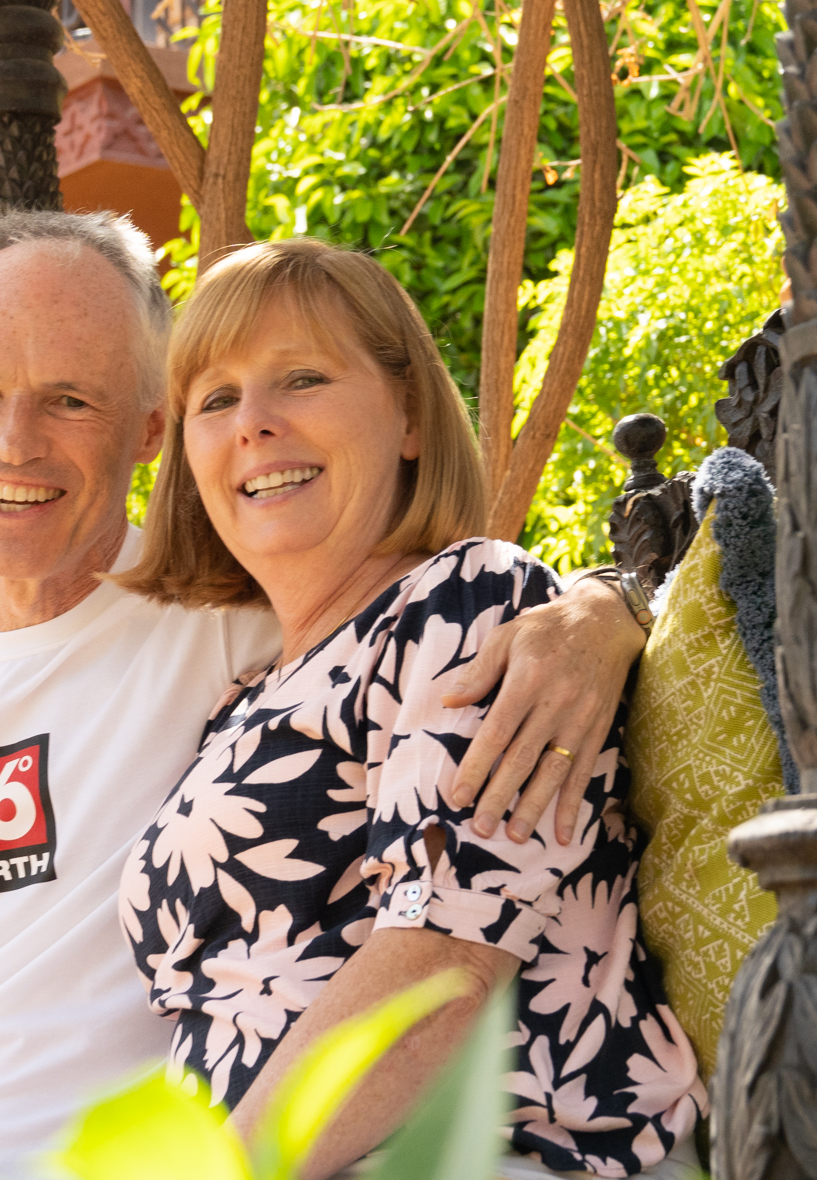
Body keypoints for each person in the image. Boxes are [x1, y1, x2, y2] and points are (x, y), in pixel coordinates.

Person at [0, 212, 651, 1180]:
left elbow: (457, 649)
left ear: (148, 429)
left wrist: (610, 606)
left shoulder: (241, 622)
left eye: (69, 399)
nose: (14, 441)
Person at [116, 239, 704, 1179]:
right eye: (215, 400)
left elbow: (443, 967)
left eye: (300, 378)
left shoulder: (466, 602)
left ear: (410, 420)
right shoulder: (242, 699)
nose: (252, 425)